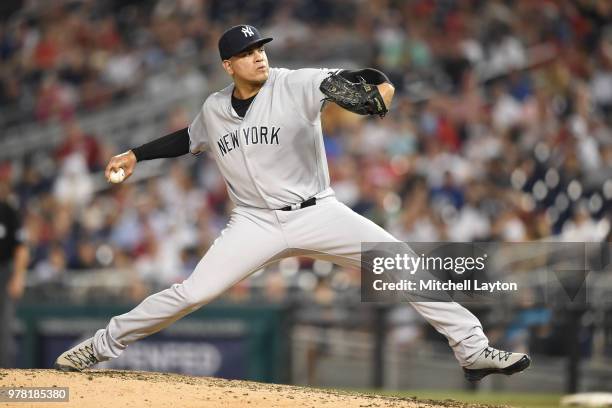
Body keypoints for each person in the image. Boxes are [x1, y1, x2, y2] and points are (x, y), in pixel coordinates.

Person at [54, 24, 530, 381]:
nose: (259, 57)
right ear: (228, 65)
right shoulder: (214, 108)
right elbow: (188, 138)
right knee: (192, 293)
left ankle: (472, 349)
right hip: (253, 224)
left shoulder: (293, 82)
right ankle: (100, 345)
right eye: (246, 52)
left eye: (261, 48)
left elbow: (345, 79)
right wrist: (137, 154)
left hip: (318, 211)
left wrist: (379, 82)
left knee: (398, 262)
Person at [0, 178, 29, 368]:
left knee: (3, 327)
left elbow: (21, 248)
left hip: (3, 273)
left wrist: (18, 276)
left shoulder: (8, 211)